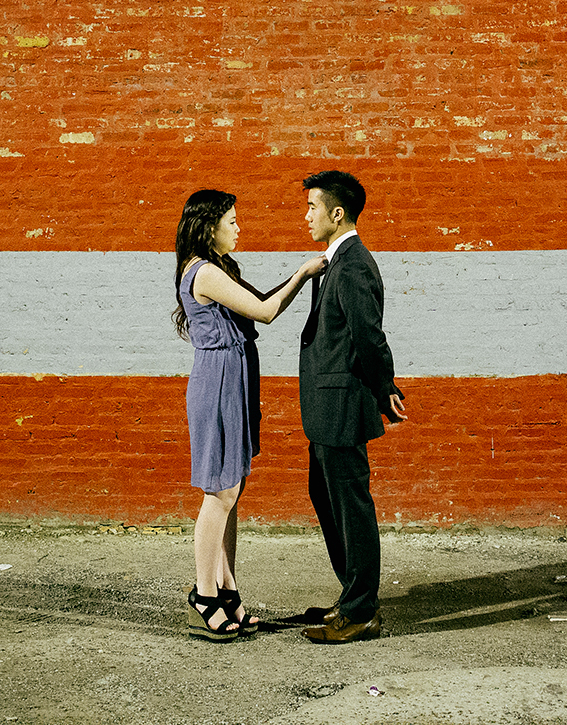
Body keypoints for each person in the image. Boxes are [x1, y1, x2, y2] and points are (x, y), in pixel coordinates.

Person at [173, 188, 325, 642]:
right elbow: (265, 311)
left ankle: (227, 589)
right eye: (232, 221)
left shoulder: (218, 268)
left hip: (232, 377)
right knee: (218, 492)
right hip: (218, 381)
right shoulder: (202, 272)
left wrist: (298, 275)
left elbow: (261, 302)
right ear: (209, 226)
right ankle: (203, 595)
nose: (239, 228)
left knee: (231, 487)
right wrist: (304, 271)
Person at [296, 169, 407, 644]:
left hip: (341, 408)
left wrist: (386, 388)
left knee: (351, 507)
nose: (306, 216)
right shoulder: (333, 263)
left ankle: (361, 611)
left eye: (312, 207)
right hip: (326, 410)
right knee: (328, 501)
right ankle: (352, 593)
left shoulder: (355, 264)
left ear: (336, 213)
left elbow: (368, 336)